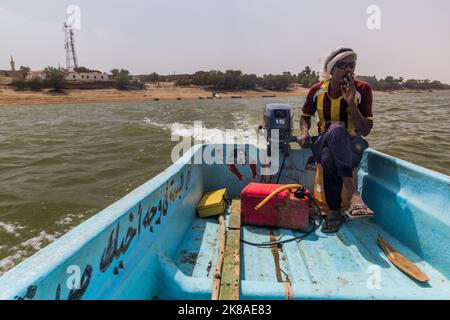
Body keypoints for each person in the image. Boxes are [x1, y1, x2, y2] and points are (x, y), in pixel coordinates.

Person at [299, 47, 374, 233]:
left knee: (328, 157)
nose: (348, 69)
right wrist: (304, 131)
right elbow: (305, 116)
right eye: (342, 65)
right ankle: (353, 194)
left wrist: (350, 103)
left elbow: (365, 131)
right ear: (331, 69)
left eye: (352, 65)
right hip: (323, 139)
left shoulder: (362, 89)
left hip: (352, 146)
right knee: (336, 128)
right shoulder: (316, 91)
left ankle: (334, 211)